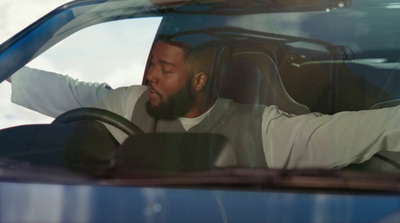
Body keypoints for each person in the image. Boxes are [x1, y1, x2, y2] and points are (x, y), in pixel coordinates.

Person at [6, 35, 400, 170]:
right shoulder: (131, 103)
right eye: (149, 65)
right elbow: (76, 97)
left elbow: (365, 131)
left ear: (198, 79)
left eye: (164, 69)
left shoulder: (264, 130)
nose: (149, 77)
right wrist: (10, 67)